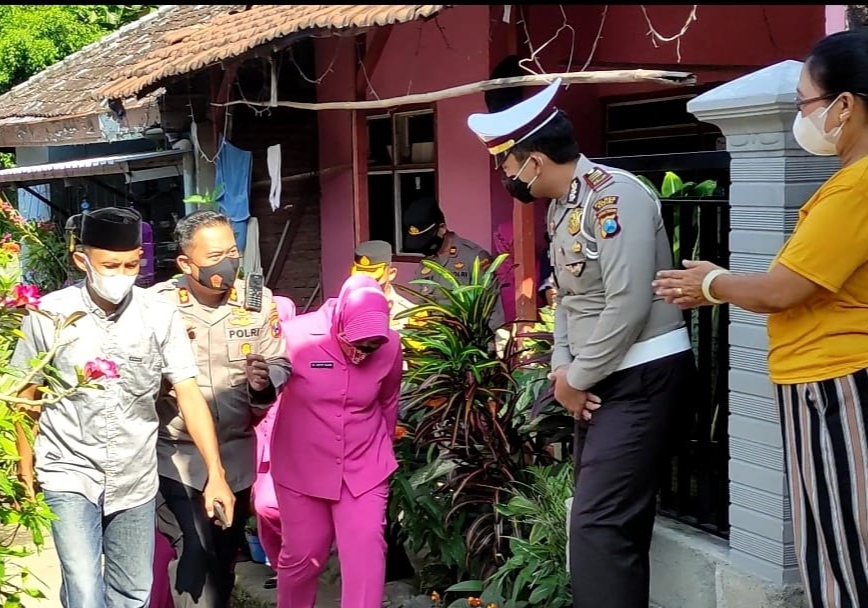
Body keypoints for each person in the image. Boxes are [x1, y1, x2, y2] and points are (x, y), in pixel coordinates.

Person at [653, 30, 868, 608]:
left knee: (844, 547)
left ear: (844, 106)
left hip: (836, 379)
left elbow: (783, 289)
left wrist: (710, 283)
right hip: (828, 377)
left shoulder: (857, 186)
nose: (803, 117)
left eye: (805, 103)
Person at [467, 79, 696, 608]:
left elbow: (628, 303)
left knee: (598, 526)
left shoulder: (615, 197)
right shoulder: (562, 206)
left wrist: (577, 378)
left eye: (506, 164)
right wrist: (562, 366)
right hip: (600, 378)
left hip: (643, 375)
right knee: (602, 524)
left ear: (533, 161)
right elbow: (569, 299)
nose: (505, 176)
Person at [12, 207, 234, 608]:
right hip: (69, 470)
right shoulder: (48, 315)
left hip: (135, 476)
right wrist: (24, 467)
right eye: (110, 266)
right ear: (82, 260)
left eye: (131, 264)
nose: (122, 274)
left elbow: (188, 392)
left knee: (133, 592)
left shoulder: (159, 315)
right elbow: (27, 395)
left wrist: (215, 474)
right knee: (83, 588)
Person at [151, 210, 291, 608]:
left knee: (222, 563)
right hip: (176, 456)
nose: (227, 263)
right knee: (194, 553)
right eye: (215, 256)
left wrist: (265, 380)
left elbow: (280, 361)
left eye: (232, 252)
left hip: (236, 455)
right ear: (186, 263)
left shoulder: (257, 301)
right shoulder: (158, 306)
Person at [270, 275, 403, 608]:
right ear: (340, 319)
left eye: (372, 345)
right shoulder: (295, 336)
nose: (364, 351)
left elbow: (388, 401)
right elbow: (267, 398)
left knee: (366, 555)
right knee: (303, 556)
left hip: (364, 465)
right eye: (358, 342)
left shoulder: (391, 345)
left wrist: (382, 453)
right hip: (302, 466)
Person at [401, 196, 506, 329]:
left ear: (442, 228)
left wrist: (494, 340)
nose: (424, 246)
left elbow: (492, 309)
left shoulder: (474, 257)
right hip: (434, 336)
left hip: (467, 337)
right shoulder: (427, 262)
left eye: (427, 239)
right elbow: (420, 304)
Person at [252, 295, 297, 590]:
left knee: (279, 506)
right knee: (263, 507)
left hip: (293, 444)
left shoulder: (301, 349)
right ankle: (282, 565)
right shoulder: (253, 353)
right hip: (258, 442)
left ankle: (296, 563)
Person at [350, 240, 415, 329]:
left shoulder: (410, 314)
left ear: (391, 274)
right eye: (361, 278)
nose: (367, 284)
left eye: (375, 279)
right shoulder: (341, 310)